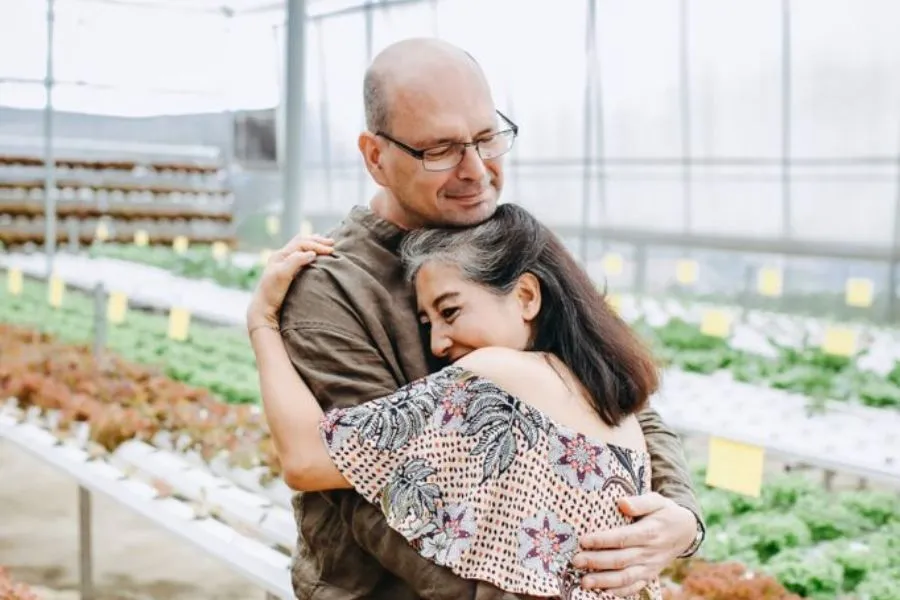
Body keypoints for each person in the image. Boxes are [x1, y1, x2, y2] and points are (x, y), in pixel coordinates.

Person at [268, 37, 704, 600]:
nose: (476, 170)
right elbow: (368, 493)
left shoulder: (503, 240)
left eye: (486, 138)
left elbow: (611, 387)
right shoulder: (331, 285)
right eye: (441, 149)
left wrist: (680, 518)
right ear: (375, 156)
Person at [247, 203, 670, 599]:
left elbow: (306, 460)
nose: (438, 342)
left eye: (450, 312)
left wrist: (262, 322)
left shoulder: (494, 378)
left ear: (526, 296)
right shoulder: (614, 409)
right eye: (427, 322)